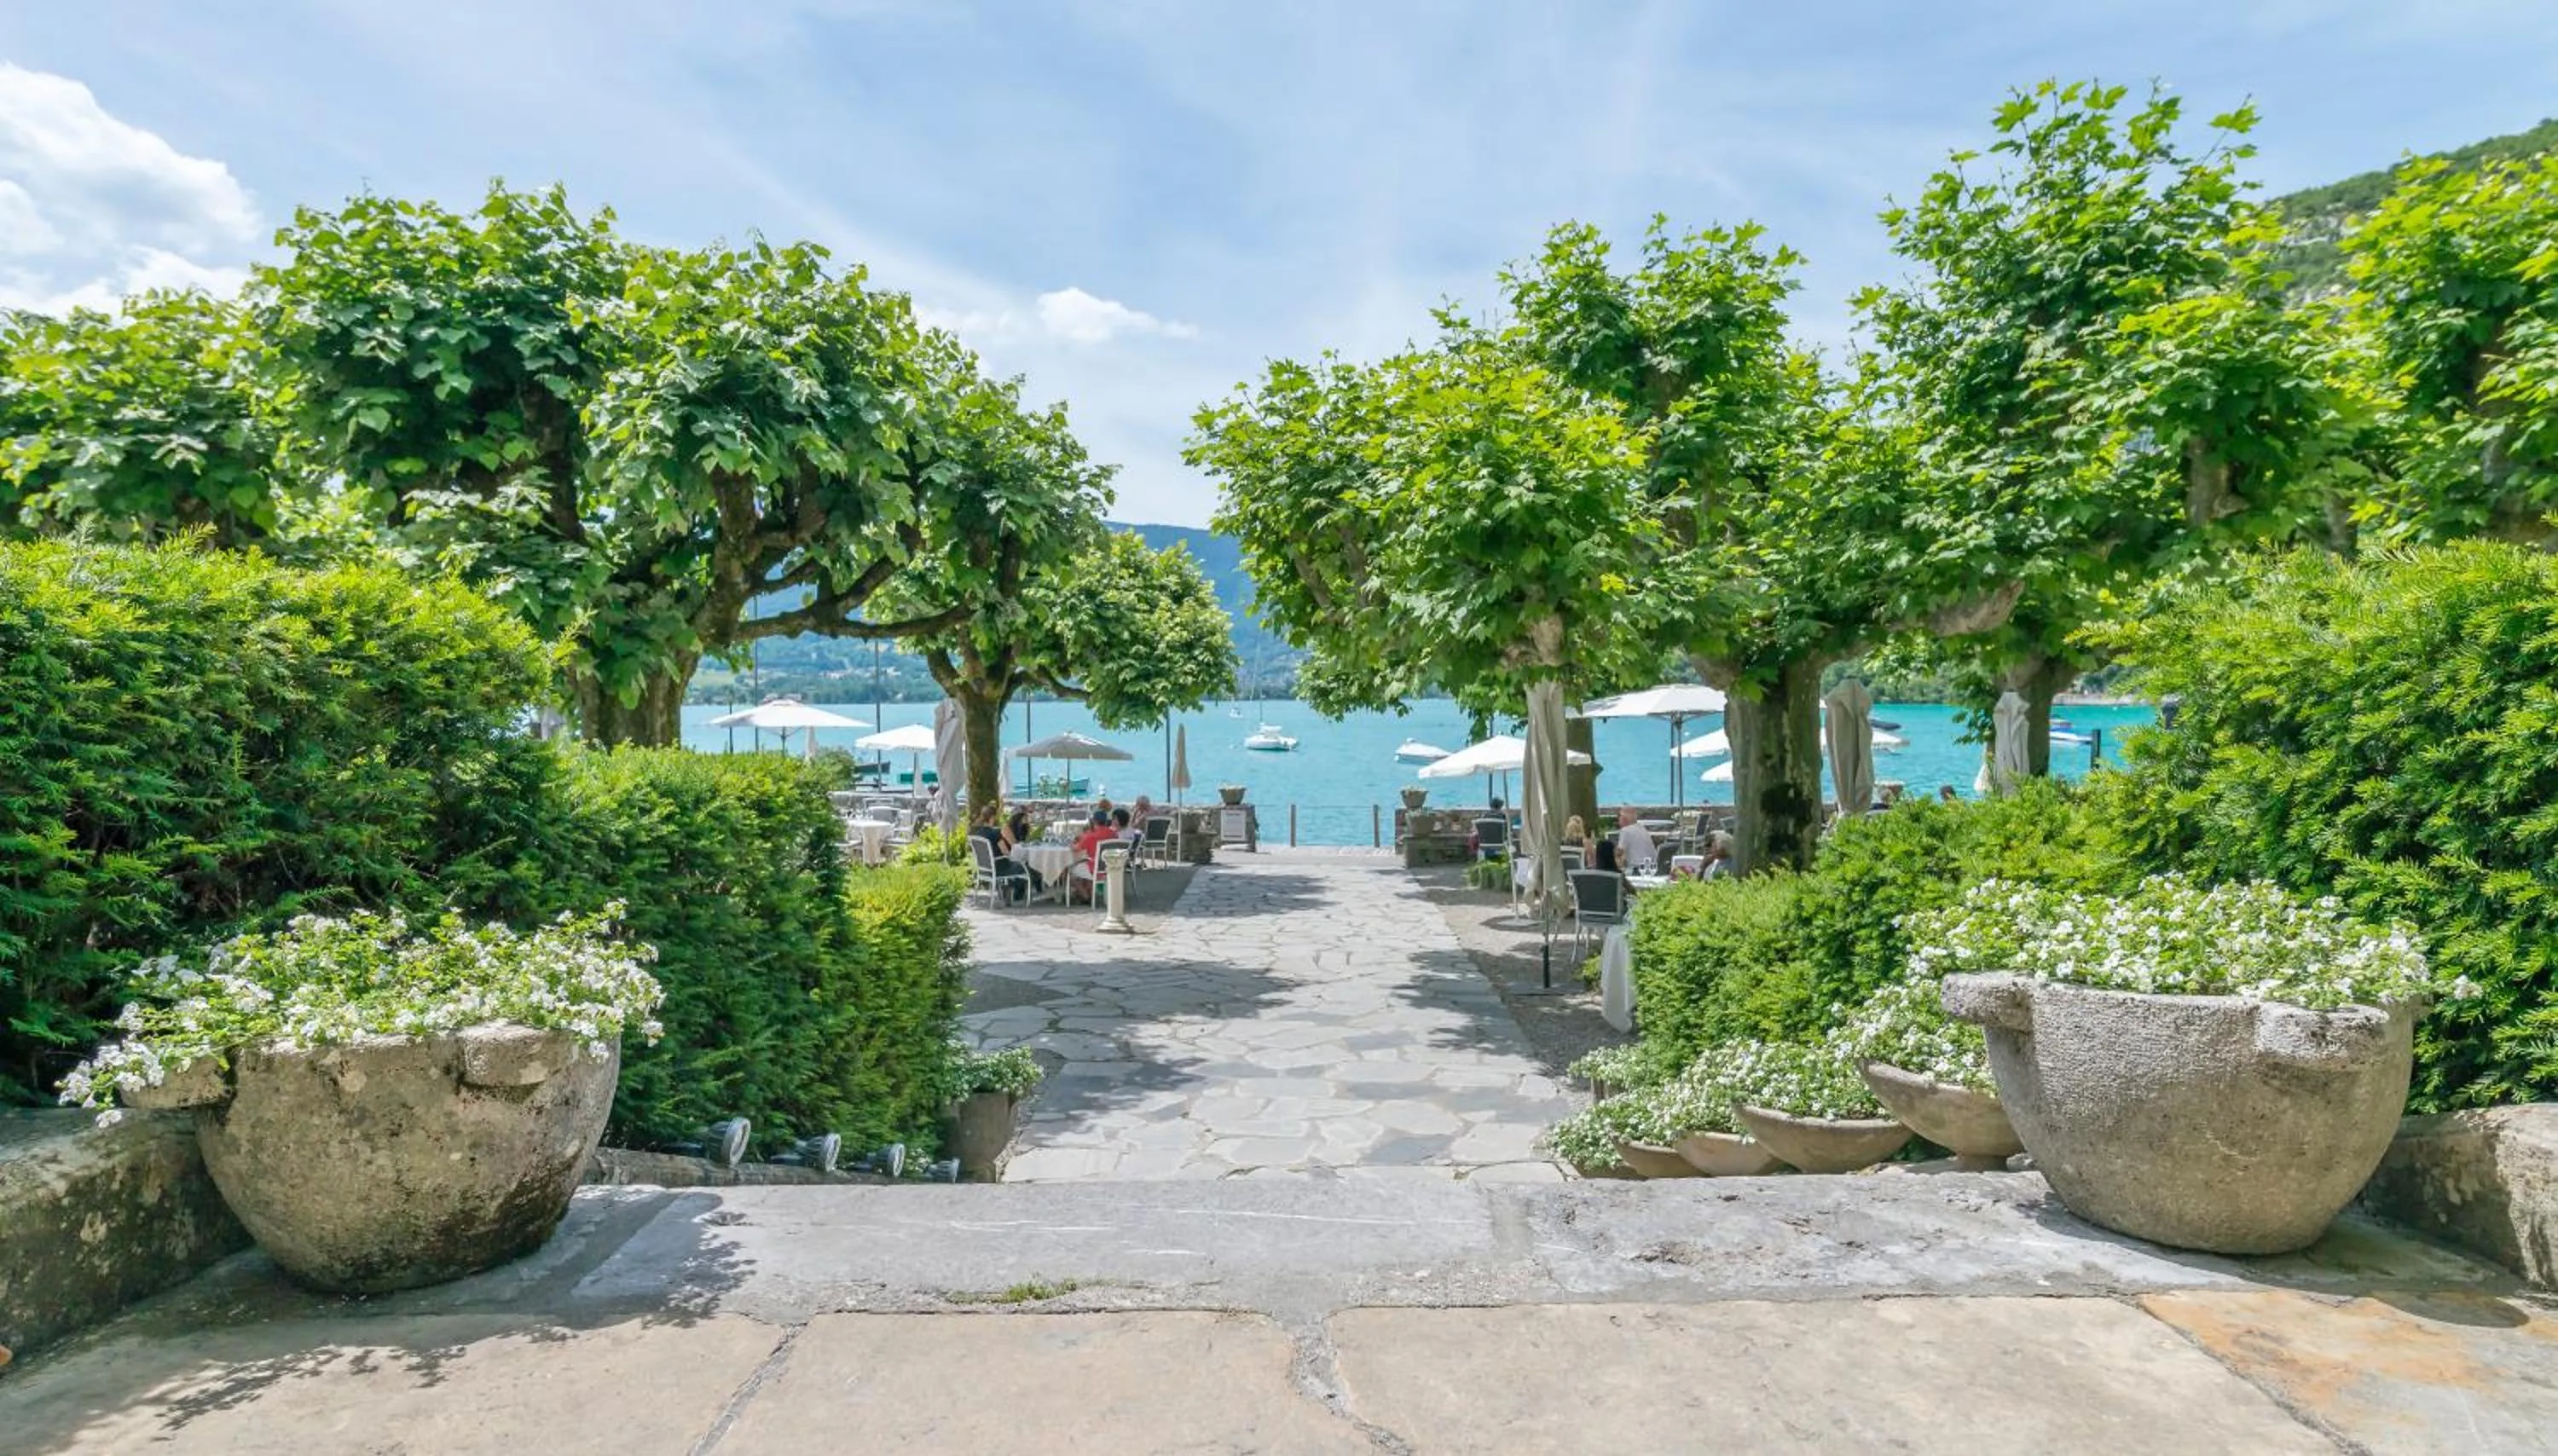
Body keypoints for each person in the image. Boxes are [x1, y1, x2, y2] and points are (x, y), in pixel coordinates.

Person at [1070, 810, 1120, 903]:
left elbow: (1076, 849)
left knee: (1070, 873)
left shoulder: (1090, 836)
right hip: (1109, 866)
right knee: (1083, 867)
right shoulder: (1113, 834)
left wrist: (1070, 843)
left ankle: (1085, 897)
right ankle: (1086, 894)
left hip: (1094, 868)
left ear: (1094, 821)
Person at [1615, 806, 1658, 876]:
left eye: (1619, 816)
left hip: (1636, 869)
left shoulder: (1625, 830)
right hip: (1651, 868)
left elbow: (1619, 853)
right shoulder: (1642, 828)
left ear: (1624, 818)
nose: (1618, 820)